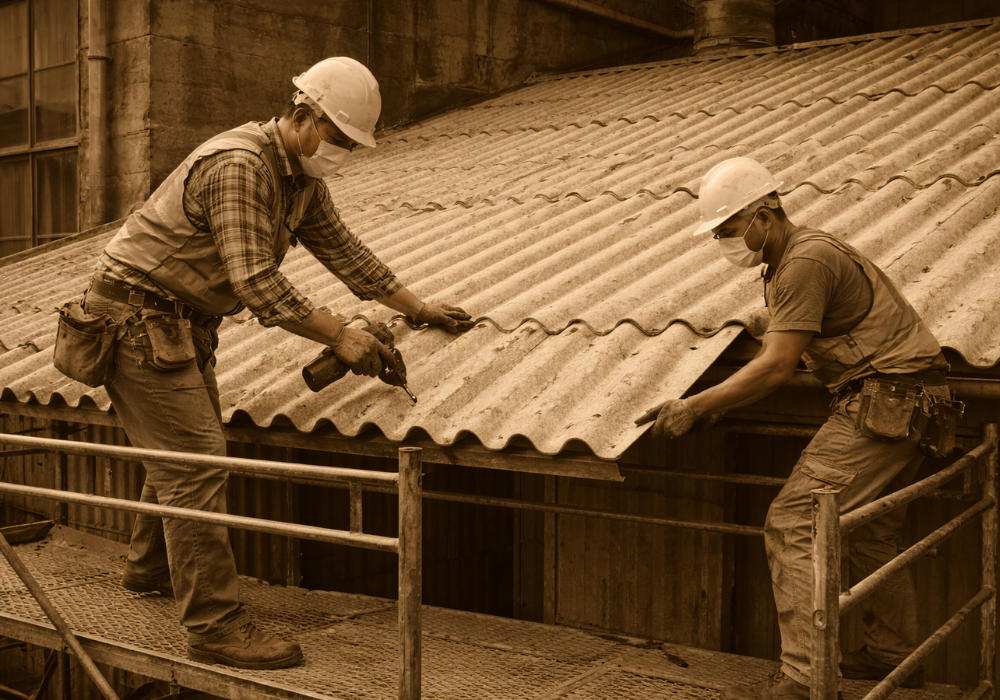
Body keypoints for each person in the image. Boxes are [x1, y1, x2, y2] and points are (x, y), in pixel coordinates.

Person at [79, 57, 473, 670]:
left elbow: (345, 251)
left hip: (179, 324)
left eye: (350, 145)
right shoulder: (239, 165)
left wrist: (418, 307)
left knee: (182, 452)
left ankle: (147, 570)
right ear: (304, 115)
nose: (341, 153)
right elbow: (258, 283)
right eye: (338, 139)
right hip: (133, 320)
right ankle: (214, 625)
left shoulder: (299, 178)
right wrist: (341, 336)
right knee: (196, 464)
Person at [639, 157, 951, 697]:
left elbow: (777, 365)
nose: (725, 241)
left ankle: (807, 680)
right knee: (872, 532)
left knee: (792, 524)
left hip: (888, 400)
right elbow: (787, 345)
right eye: (718, 232)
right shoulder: (788, 264)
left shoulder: (807, 260)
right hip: (915, 404)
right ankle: (891, 655)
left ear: (766, 214)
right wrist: (720, 404)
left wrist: (693, 406)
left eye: (731, 229)